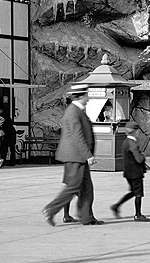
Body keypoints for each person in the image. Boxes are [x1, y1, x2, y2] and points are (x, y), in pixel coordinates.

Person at [42, 83, 103, 226]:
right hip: (75, 156)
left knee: (86, 188)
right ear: (80, 96)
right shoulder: (73, 111)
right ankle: (50, 210)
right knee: (73, 186)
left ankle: (87, 217)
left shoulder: (77, 110)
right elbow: (78, 136)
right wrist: (88, 155)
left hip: (77, 156)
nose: (88, 98)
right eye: (87, 95)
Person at [110, 121, 150, 222]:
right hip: (135, 172)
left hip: (128, 172)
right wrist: (142, 156)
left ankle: (116, 206)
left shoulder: (126, 142)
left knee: (133, 192)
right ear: (135, 132)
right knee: (138, 194)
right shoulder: (133, 144)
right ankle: (138, 214)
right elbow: (139, 159)